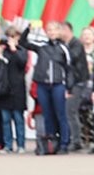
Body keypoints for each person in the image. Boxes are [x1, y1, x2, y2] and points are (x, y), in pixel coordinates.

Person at [25, 20, 73, 153]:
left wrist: (69, 87)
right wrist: (28, 29)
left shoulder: (63, 48)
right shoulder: (41, 46)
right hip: (42, 84)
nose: (51, 32)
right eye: (49, 30)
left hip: (58, 84)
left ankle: (64, 143)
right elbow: (24, 43)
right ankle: (51, 142)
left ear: (59, 32)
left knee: (60, 114)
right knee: (47, 114)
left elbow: (69, 68)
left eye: (54, 30)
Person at [0, 28, 28, 153]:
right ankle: (8, 145)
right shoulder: (2, 50)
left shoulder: (21, 51)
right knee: (5, 119)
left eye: (13, 37)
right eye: (9, 37)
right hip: (4, 90)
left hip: (17, 90)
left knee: (18, 119)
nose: (10, 39)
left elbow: (22, 63)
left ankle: (21, 145)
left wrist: (14, 49)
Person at [59, 21, 90, 151]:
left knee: (71, 110)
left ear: (67, 30)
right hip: (70, 82)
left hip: (78, 81)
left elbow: (72, 58)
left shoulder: (76, 44)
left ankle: (76, 140)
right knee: (69, 111)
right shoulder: (65, 44)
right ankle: (74, 138)